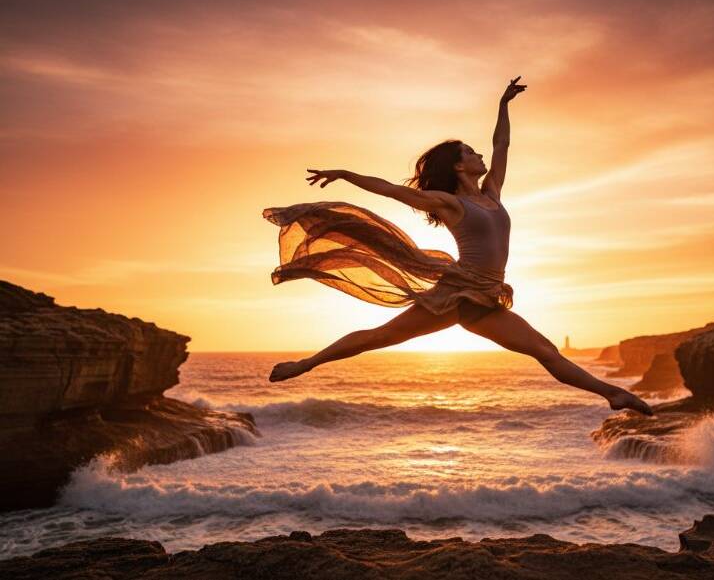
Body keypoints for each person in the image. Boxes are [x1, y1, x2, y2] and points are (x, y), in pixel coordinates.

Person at [263, 76, 653, 416]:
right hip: (457, 293)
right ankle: (306, 364)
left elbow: (501, 145)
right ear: (457, 166)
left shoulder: (492, 193)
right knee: (379, 337)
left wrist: (503, 105)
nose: (479, 154)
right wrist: (346, 174)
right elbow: (393, 191)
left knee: (546, 351)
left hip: (484, 297)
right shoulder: (450, 203)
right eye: (470, 152)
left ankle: (612, 394)